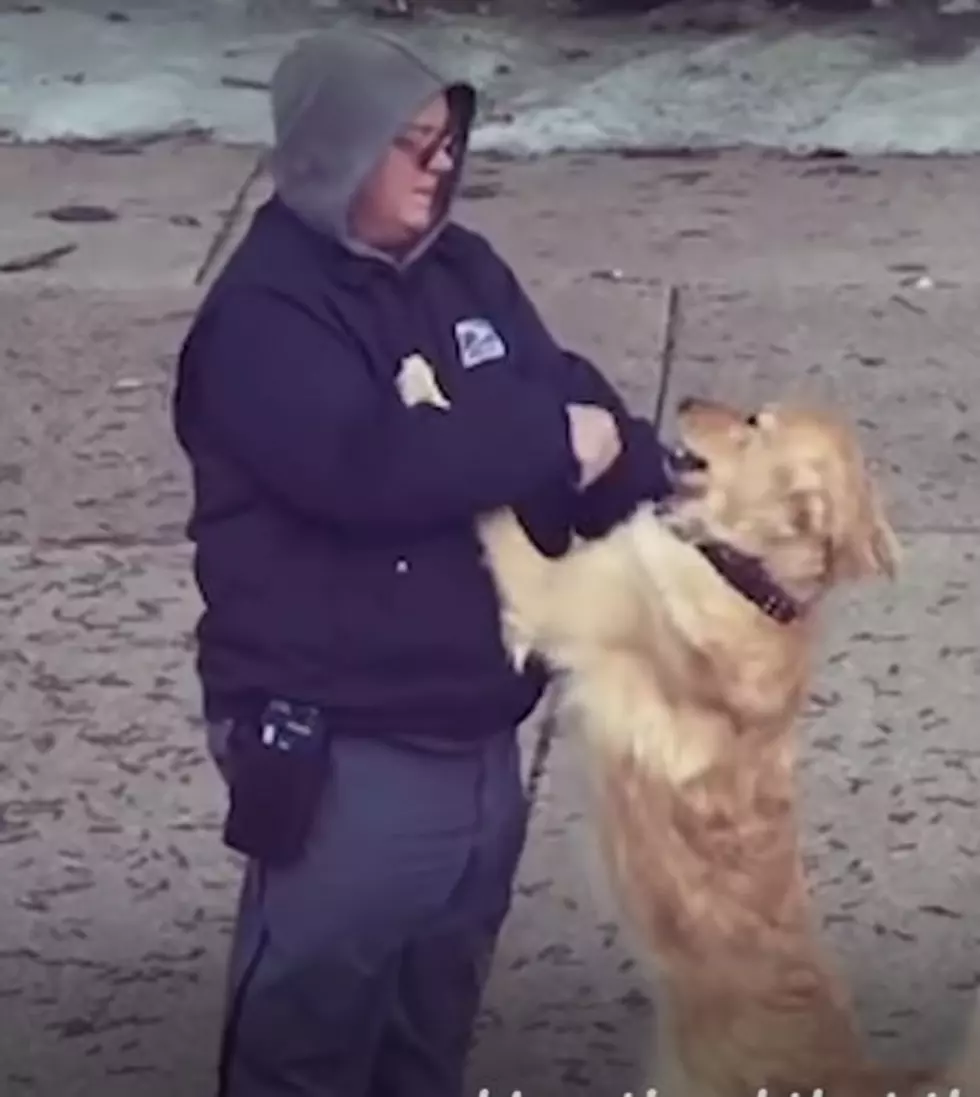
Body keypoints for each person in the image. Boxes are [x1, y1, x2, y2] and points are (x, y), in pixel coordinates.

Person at [171, 27, 673, 1097]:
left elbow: (568, 399)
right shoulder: (264, 318)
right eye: (407, 144)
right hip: (344, 741)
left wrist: (645, 474)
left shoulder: (465, 271)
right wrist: (546, 439)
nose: (437, 165)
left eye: (444, 140)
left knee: (426, 1029)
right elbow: (368, 466)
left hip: (476, 726)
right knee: (308, 1035)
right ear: (331, 152)